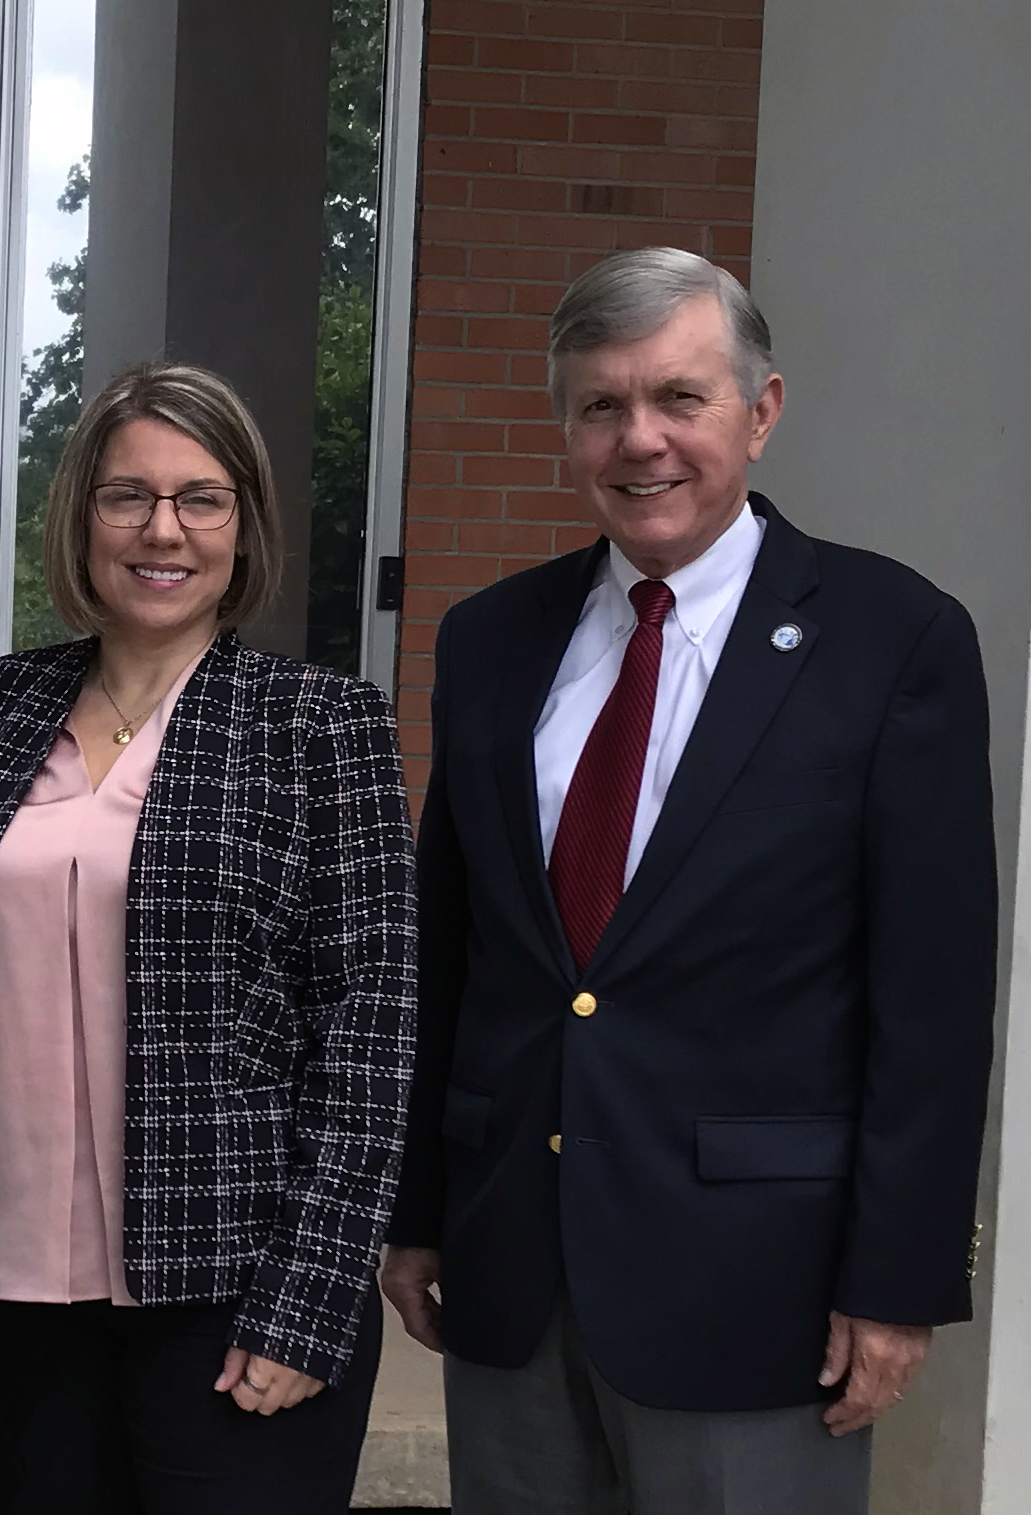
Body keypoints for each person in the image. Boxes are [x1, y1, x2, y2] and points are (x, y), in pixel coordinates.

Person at [381, 246, 997, 1515]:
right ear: (566, 427)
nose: (639, 440)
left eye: (680, 399)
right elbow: (457, 953)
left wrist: (900, 1278)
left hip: (759, 1288)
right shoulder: (493, 638)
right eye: (601, 405)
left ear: (762, 413)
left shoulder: (894, 641)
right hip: (515, 1261)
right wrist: (420, 1206)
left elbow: (931, 1002)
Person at [0, 362, 418, 1515]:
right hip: (1, 1282)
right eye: (128, 496)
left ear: (243, 525)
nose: (163, 530)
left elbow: (370, 1035)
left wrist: (312, 1292)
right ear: (82, 518)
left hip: (231, 1279)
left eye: (201, 498)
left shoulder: (319, 724)